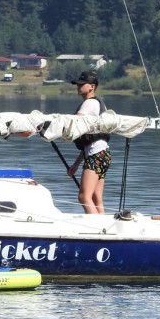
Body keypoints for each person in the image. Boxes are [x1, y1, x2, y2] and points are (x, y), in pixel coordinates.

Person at [67, 71, 111, 214]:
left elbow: (73, 122)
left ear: (92, 86)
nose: (78, 87)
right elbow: (89, 144)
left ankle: (99, 230)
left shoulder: (89, 103)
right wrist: (76, 165)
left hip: (96, 156)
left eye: (82, 84)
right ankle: (104, 228)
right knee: (96, 197)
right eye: (77, 84)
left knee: (83, 197)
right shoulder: (97, 103)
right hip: (103, 155)